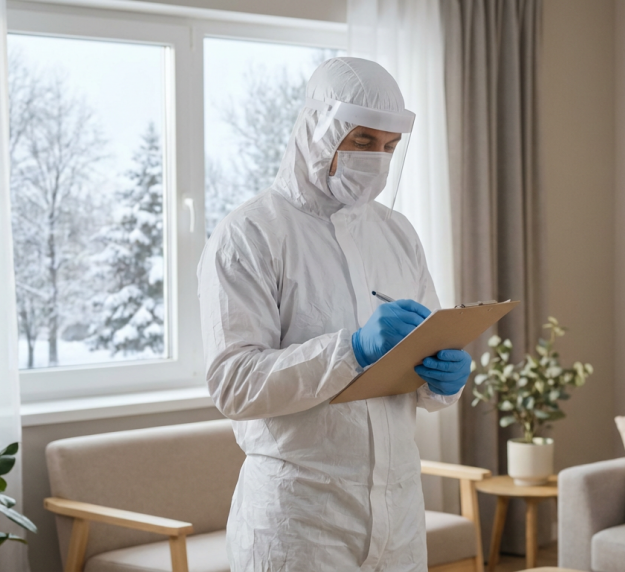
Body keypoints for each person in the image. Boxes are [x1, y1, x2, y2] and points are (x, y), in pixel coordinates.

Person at [197, 57, 471, 572]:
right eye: (364, 141)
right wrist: (352, 350)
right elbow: (233, 384)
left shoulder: (397, 233)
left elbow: (428, 345)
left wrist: (443, 379)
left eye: (390, 146)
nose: (378, 159)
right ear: (319, 129)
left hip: (400, 514)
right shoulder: (251, 234)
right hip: (298, 520)